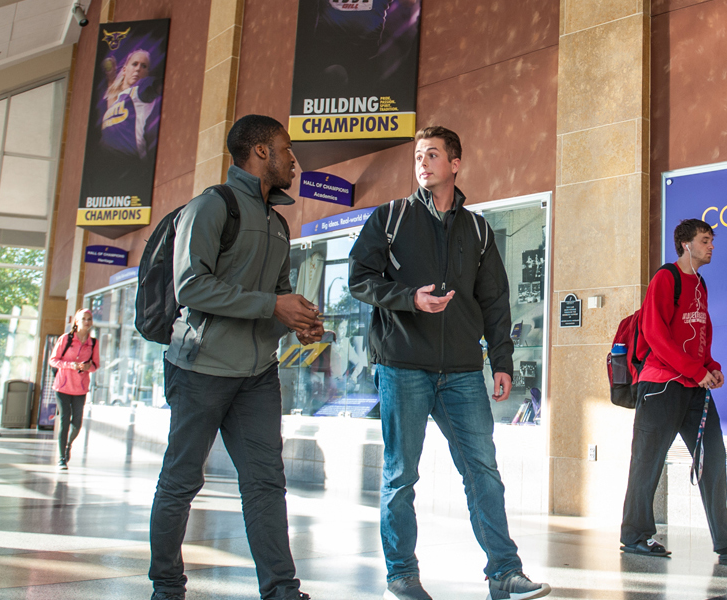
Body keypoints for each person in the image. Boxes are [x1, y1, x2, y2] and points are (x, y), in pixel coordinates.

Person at [350, 126, 551, 600]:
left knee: (483, 471)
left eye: (433, 154)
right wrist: (407, 298)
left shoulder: (478, 230)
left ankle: (504, 571)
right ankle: (402, 574)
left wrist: (501, 360)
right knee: (401, 476)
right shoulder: (391, 218)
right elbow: (359, 278)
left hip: (462, 370)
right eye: (419, 155)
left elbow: (496, 301)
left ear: (455, 164)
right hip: (402, 365)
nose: (423, 162)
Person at [148, 115, 324, 600]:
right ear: (261, 152)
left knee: (266, 484)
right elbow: (191, 286)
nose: (294, 160)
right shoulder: (212, 207)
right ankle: (166, 588)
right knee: (181, 482)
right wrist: (272, 305)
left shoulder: (278, 221)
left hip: (257, 374)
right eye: (287, 149)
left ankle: (282, 591)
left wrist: (298, 320)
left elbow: (279, 292)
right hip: (200, 370)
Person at [618, 218, 727, 561]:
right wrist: (694, 370)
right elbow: (656, 335)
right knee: (647, 461)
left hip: (694, 387)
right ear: (686, 245)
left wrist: (711, 367)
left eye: (711, 240)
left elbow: (700, 335)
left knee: (713, 458)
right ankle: (635, 536)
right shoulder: (665, 278)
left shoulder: (700, 284)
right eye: (705, 240)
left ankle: (726, 540)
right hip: (661, 386)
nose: (711, 246)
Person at [48, 308, 100, 469]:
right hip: (63, 386)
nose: (87, 322)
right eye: (83, 319)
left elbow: (96, 365)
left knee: (77, 423)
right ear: (76, 322)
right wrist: (71, 365)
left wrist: (87, 367)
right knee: (64, 419)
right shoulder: (66, 339)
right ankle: (61, 458)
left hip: (80, 388)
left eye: (89, 319)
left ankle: (68, 444)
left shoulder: (93, 343)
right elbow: (53, 360)